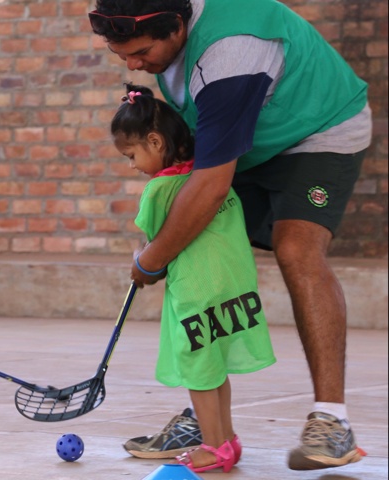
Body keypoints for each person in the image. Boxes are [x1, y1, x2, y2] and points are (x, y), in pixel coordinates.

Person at [89, 0, 371, 471]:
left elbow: (211, 185)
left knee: (296, 247)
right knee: (199, 258)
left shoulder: (232, 51)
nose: (133, 66)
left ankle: (332, 422)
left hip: (317, 131)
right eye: (123, 56)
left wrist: (151, 259)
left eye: (140, 52)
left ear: (176, 27)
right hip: (249, 135)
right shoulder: (170, 34)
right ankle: (209, 422)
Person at [113, 84, 276, 473]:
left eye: (131, 155)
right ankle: (228, 440)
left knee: (198, 369)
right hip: (231, 285)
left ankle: (213, 446)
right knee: (214, 365)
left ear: (155, 142)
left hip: (197, 292)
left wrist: (141, 263)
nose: (132, 165)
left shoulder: (160, 190)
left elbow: (158, 253)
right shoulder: (211, 179)